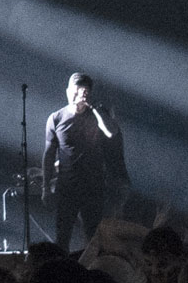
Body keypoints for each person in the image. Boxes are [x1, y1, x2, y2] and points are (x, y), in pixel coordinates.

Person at [44, 73, 128, 253]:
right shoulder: (56, 118)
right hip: (67, 188)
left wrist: (94, 107)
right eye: (75, 91)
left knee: (94, 236)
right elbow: (49, 154)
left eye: (83, 91)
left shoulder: (97, 114)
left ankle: (92, 267)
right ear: (68, 91)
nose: (78, 95)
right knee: (62, 236)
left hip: (93, 187)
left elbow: (111, 132)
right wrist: (46, 187)